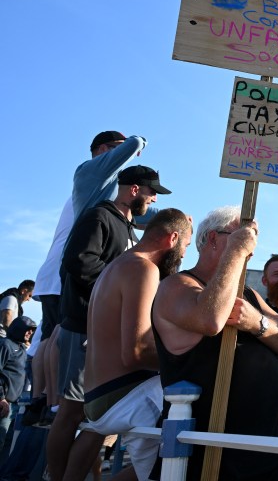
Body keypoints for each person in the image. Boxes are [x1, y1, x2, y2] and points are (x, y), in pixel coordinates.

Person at [151, 206, 278, 481]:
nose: (250, 248)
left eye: (252, 239)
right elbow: (211, 319)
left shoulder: (250, 295)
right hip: (209, 456)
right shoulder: (176, 286)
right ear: (213, 239)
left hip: (261, 451)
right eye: (241, 236)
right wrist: (235, 251)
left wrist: (257, 323)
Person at [47, 165, 171, 481]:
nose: (153, 197)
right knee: (73, 411)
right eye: (151, 190)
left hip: (107, 338)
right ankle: (55, 477)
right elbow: (77, 261)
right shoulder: (99, 216)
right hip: (82, 328)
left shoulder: (129, 230)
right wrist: (112, 296)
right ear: (133, 189)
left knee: (99, 421)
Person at [28, 131, 152, 427]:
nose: (119, 156)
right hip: (64, 271)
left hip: (59, 272)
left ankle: (46, 402)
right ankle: (49, 402)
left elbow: (140, 215)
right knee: (57, 334)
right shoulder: (90, 173)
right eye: (112, 149)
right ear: (99, 150)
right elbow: (134, 144)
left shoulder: (107, 190)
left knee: (56, 333)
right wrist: (139, 143)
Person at [83, 208, 193, 481]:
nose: (184, 255)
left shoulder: (117, 265)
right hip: (126, 398)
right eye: (187, 246)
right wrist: (191, 360)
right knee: (173, 470)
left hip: (102, 396)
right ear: (173, 238)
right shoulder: (143, 268)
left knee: (152, 471)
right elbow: (136, 351)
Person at [0, 316, 37, 447]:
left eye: (32, 330)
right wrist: (1, 398)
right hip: (3, 404)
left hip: (15, 405)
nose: (30, 333)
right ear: (18, 329)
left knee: (7, 443)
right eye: (27, 329)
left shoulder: (21, 348)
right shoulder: (5, 345)